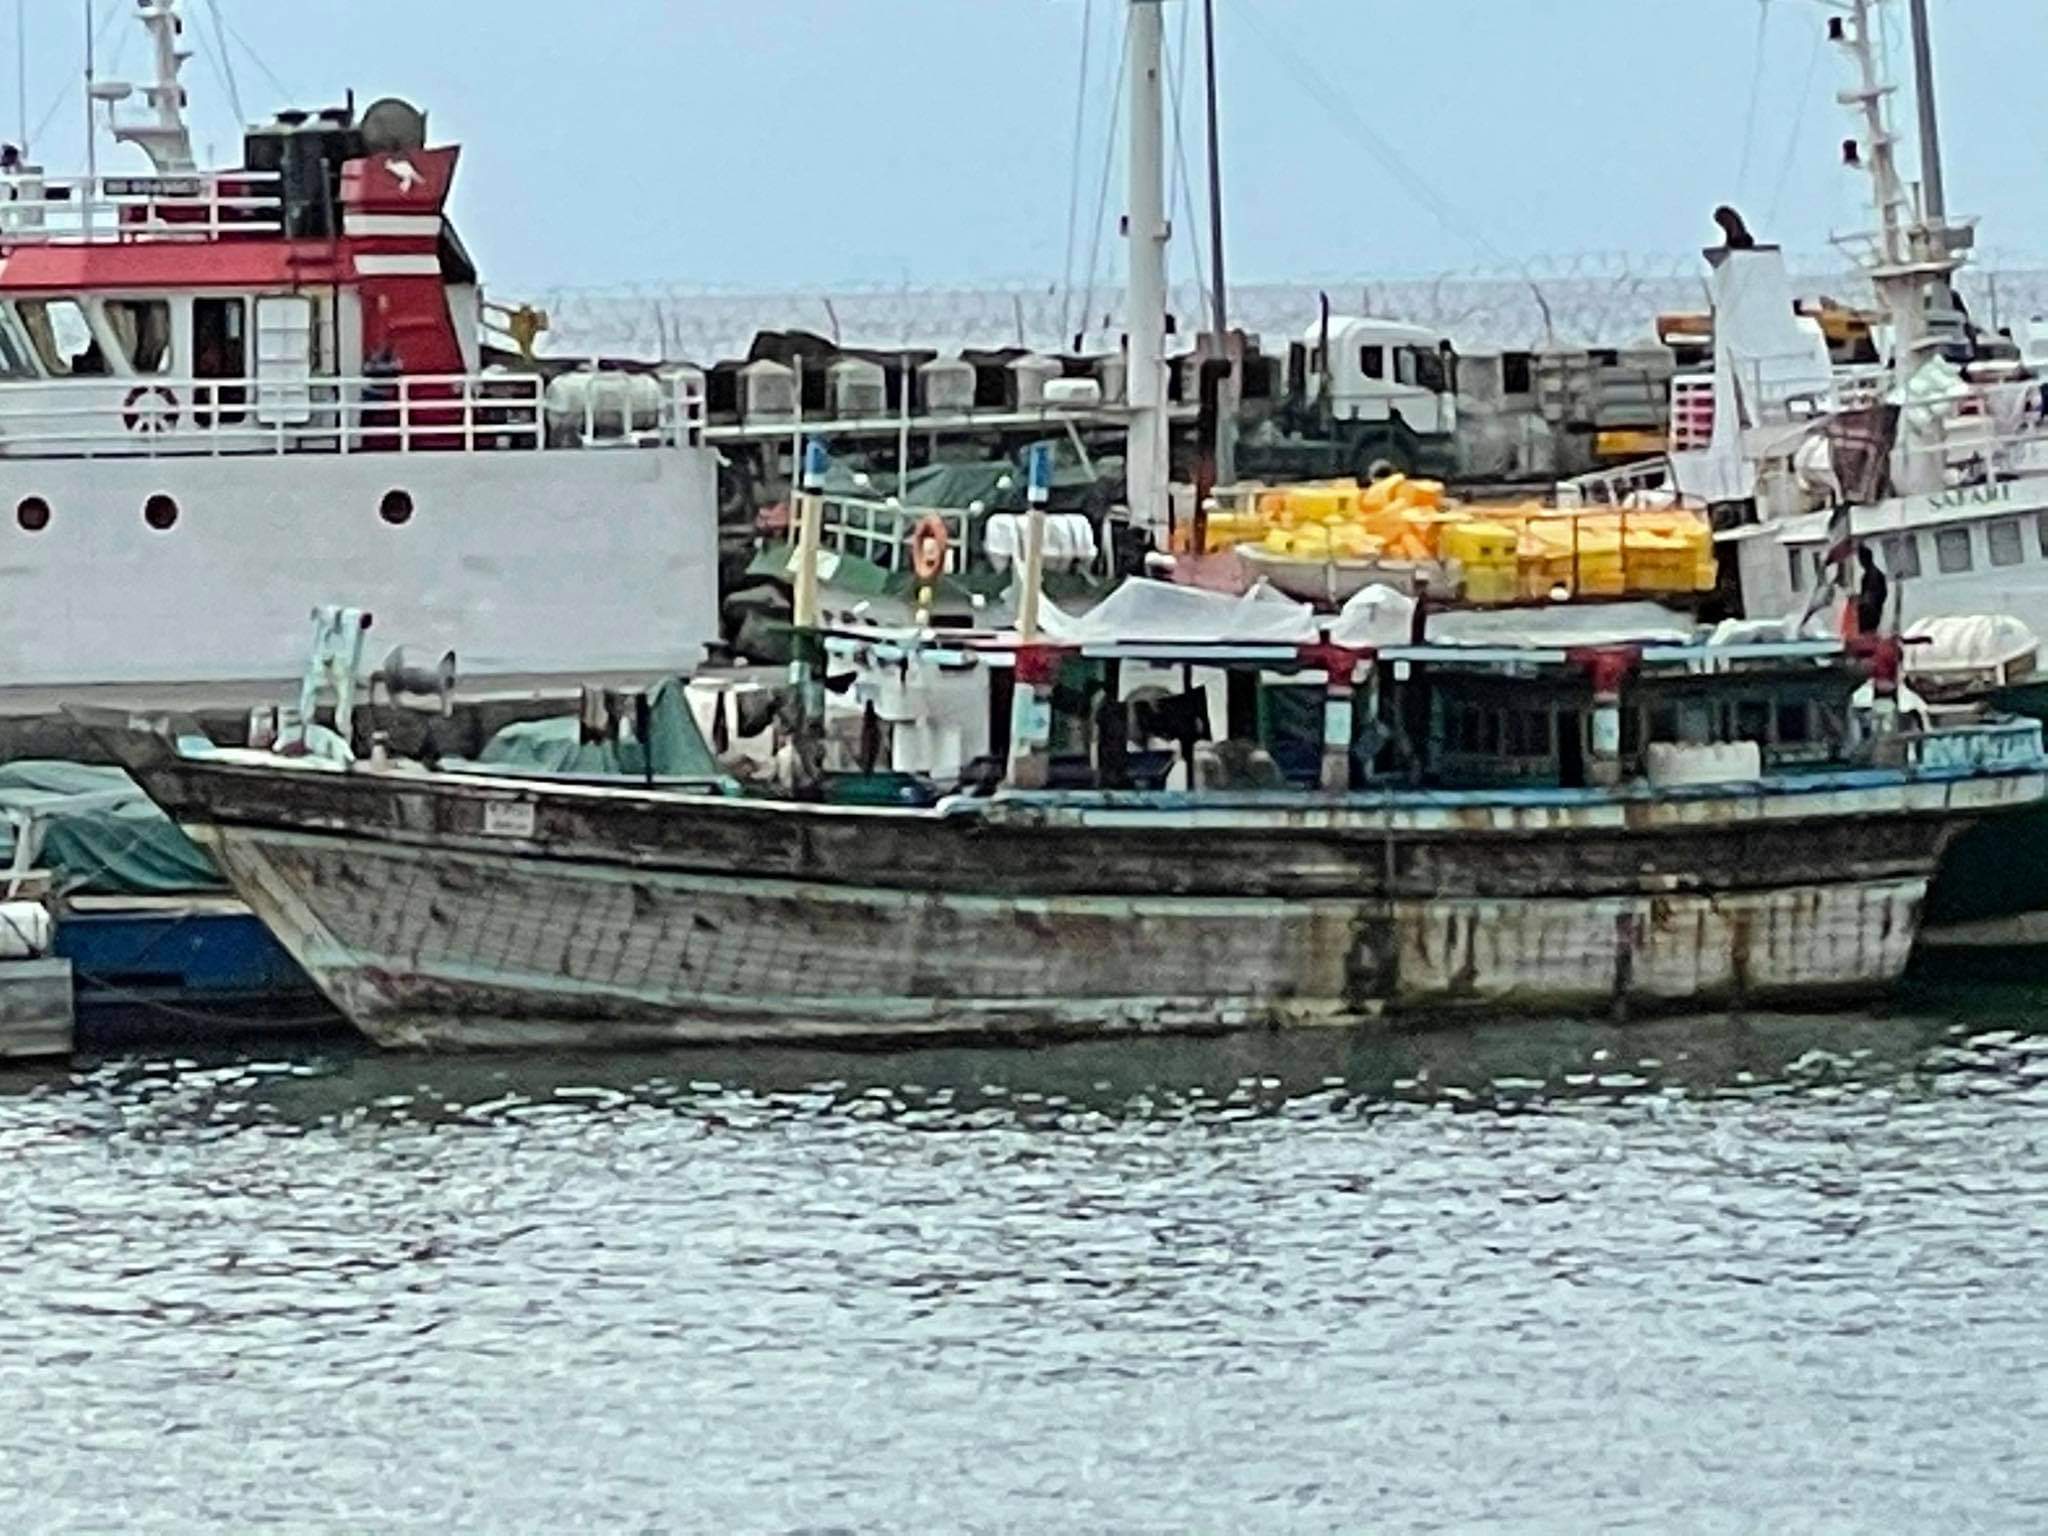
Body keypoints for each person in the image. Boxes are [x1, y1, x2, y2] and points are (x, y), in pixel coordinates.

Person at [1856, 544, 1889, 635]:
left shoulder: (1874, 576)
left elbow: (1876, 596)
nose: (1860, 562)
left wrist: (1864, 601)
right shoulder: (1868, 576)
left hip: (1871, 614)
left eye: (1861, 559)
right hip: (1871, 613)